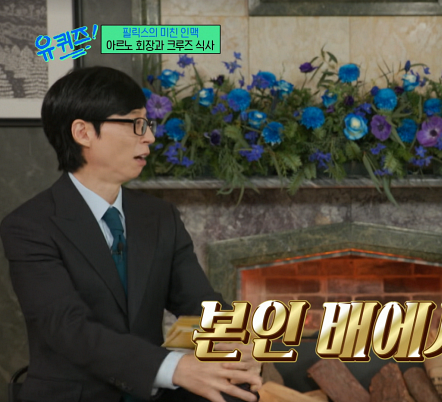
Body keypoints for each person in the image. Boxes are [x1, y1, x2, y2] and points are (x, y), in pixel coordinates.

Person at [0, 66, 262, 402]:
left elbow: (199, 302)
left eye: (147, 124)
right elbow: (68, 328)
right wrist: (174, 367)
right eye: (136, 124)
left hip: (151, 394)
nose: (149, 136)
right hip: (75, 395)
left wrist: (239, 340)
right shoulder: (30, 225)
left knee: (237, 389)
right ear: (83, 132)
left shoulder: (159, 217)